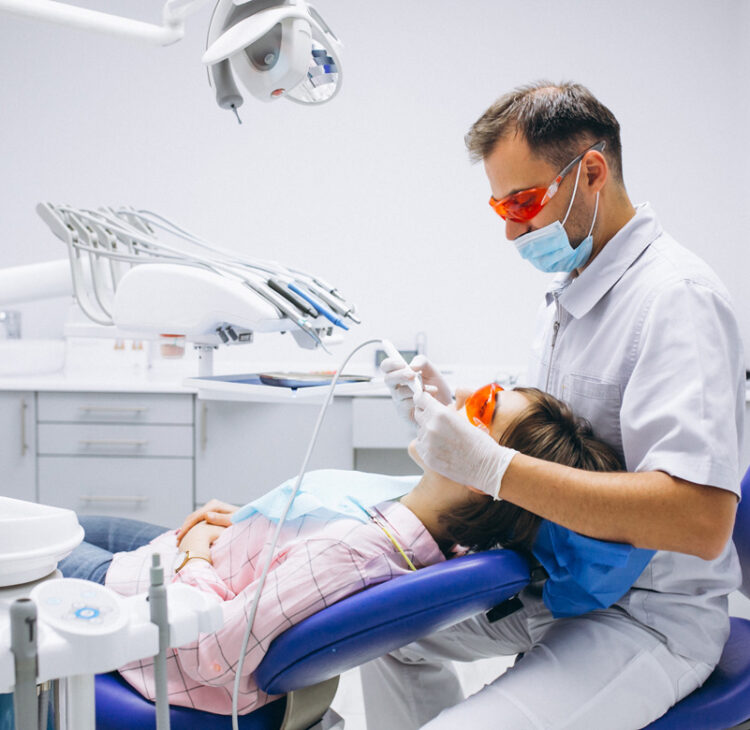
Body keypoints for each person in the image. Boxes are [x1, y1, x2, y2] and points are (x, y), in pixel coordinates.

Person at [371, 80, 746, 729]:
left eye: (523, 202)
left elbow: (701, 520)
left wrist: (494, 468)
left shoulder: (675, 300)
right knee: (384, 635)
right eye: (500, 208)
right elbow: (550, 446)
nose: (511, 229)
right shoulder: (571, 293)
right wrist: (455, 417)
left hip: (646, 614)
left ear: (592, 172)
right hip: (558, 586)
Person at [59, 386, 623, 716]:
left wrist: (195, 553)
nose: (452, 402)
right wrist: (262, 524)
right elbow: (307, 557)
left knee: (36, 539)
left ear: (482, 476)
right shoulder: (432, 530)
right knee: (73, 524)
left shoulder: (356, 556)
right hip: (214, 558)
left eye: (479, 407)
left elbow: (217, 657)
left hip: (158, 612)